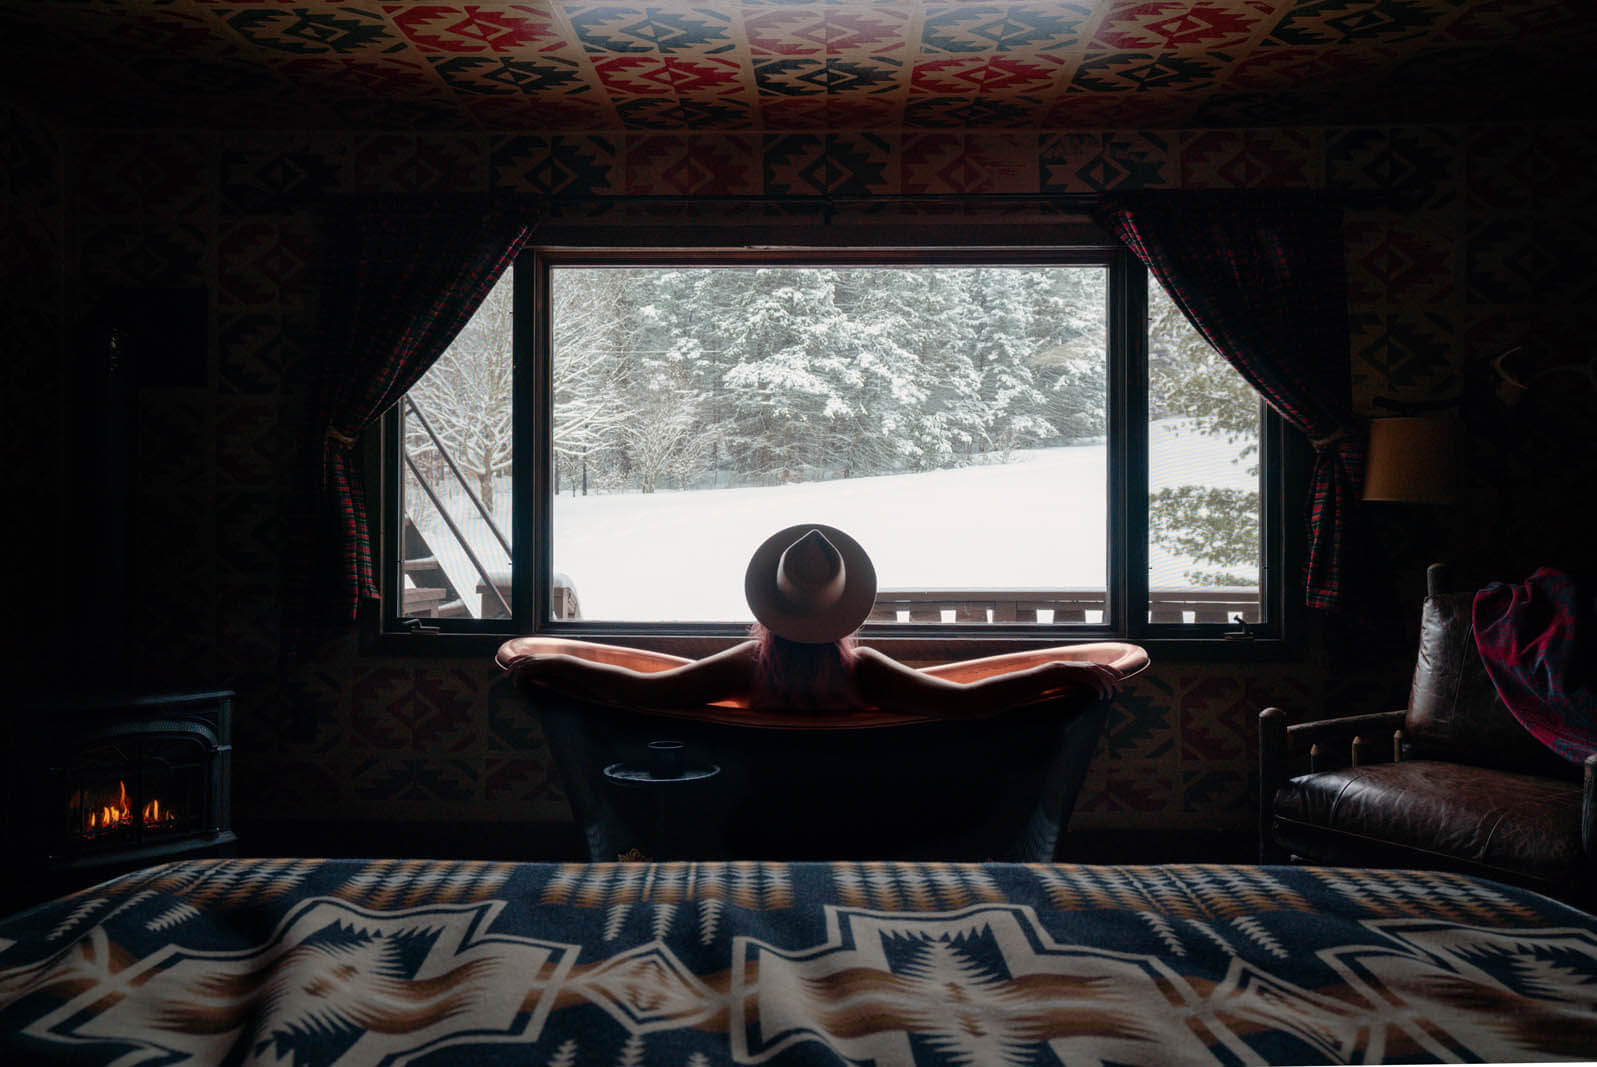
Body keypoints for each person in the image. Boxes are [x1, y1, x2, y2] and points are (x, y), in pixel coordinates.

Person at [497, 524, 1142, 718]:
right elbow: (965, 701)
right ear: (846, 610)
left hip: (748, 815)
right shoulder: (863, 674)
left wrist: (547, 663)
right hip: (857, 816)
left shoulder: (747, 667)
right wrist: (1060, 671)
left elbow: (638, 690)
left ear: (770, 608)